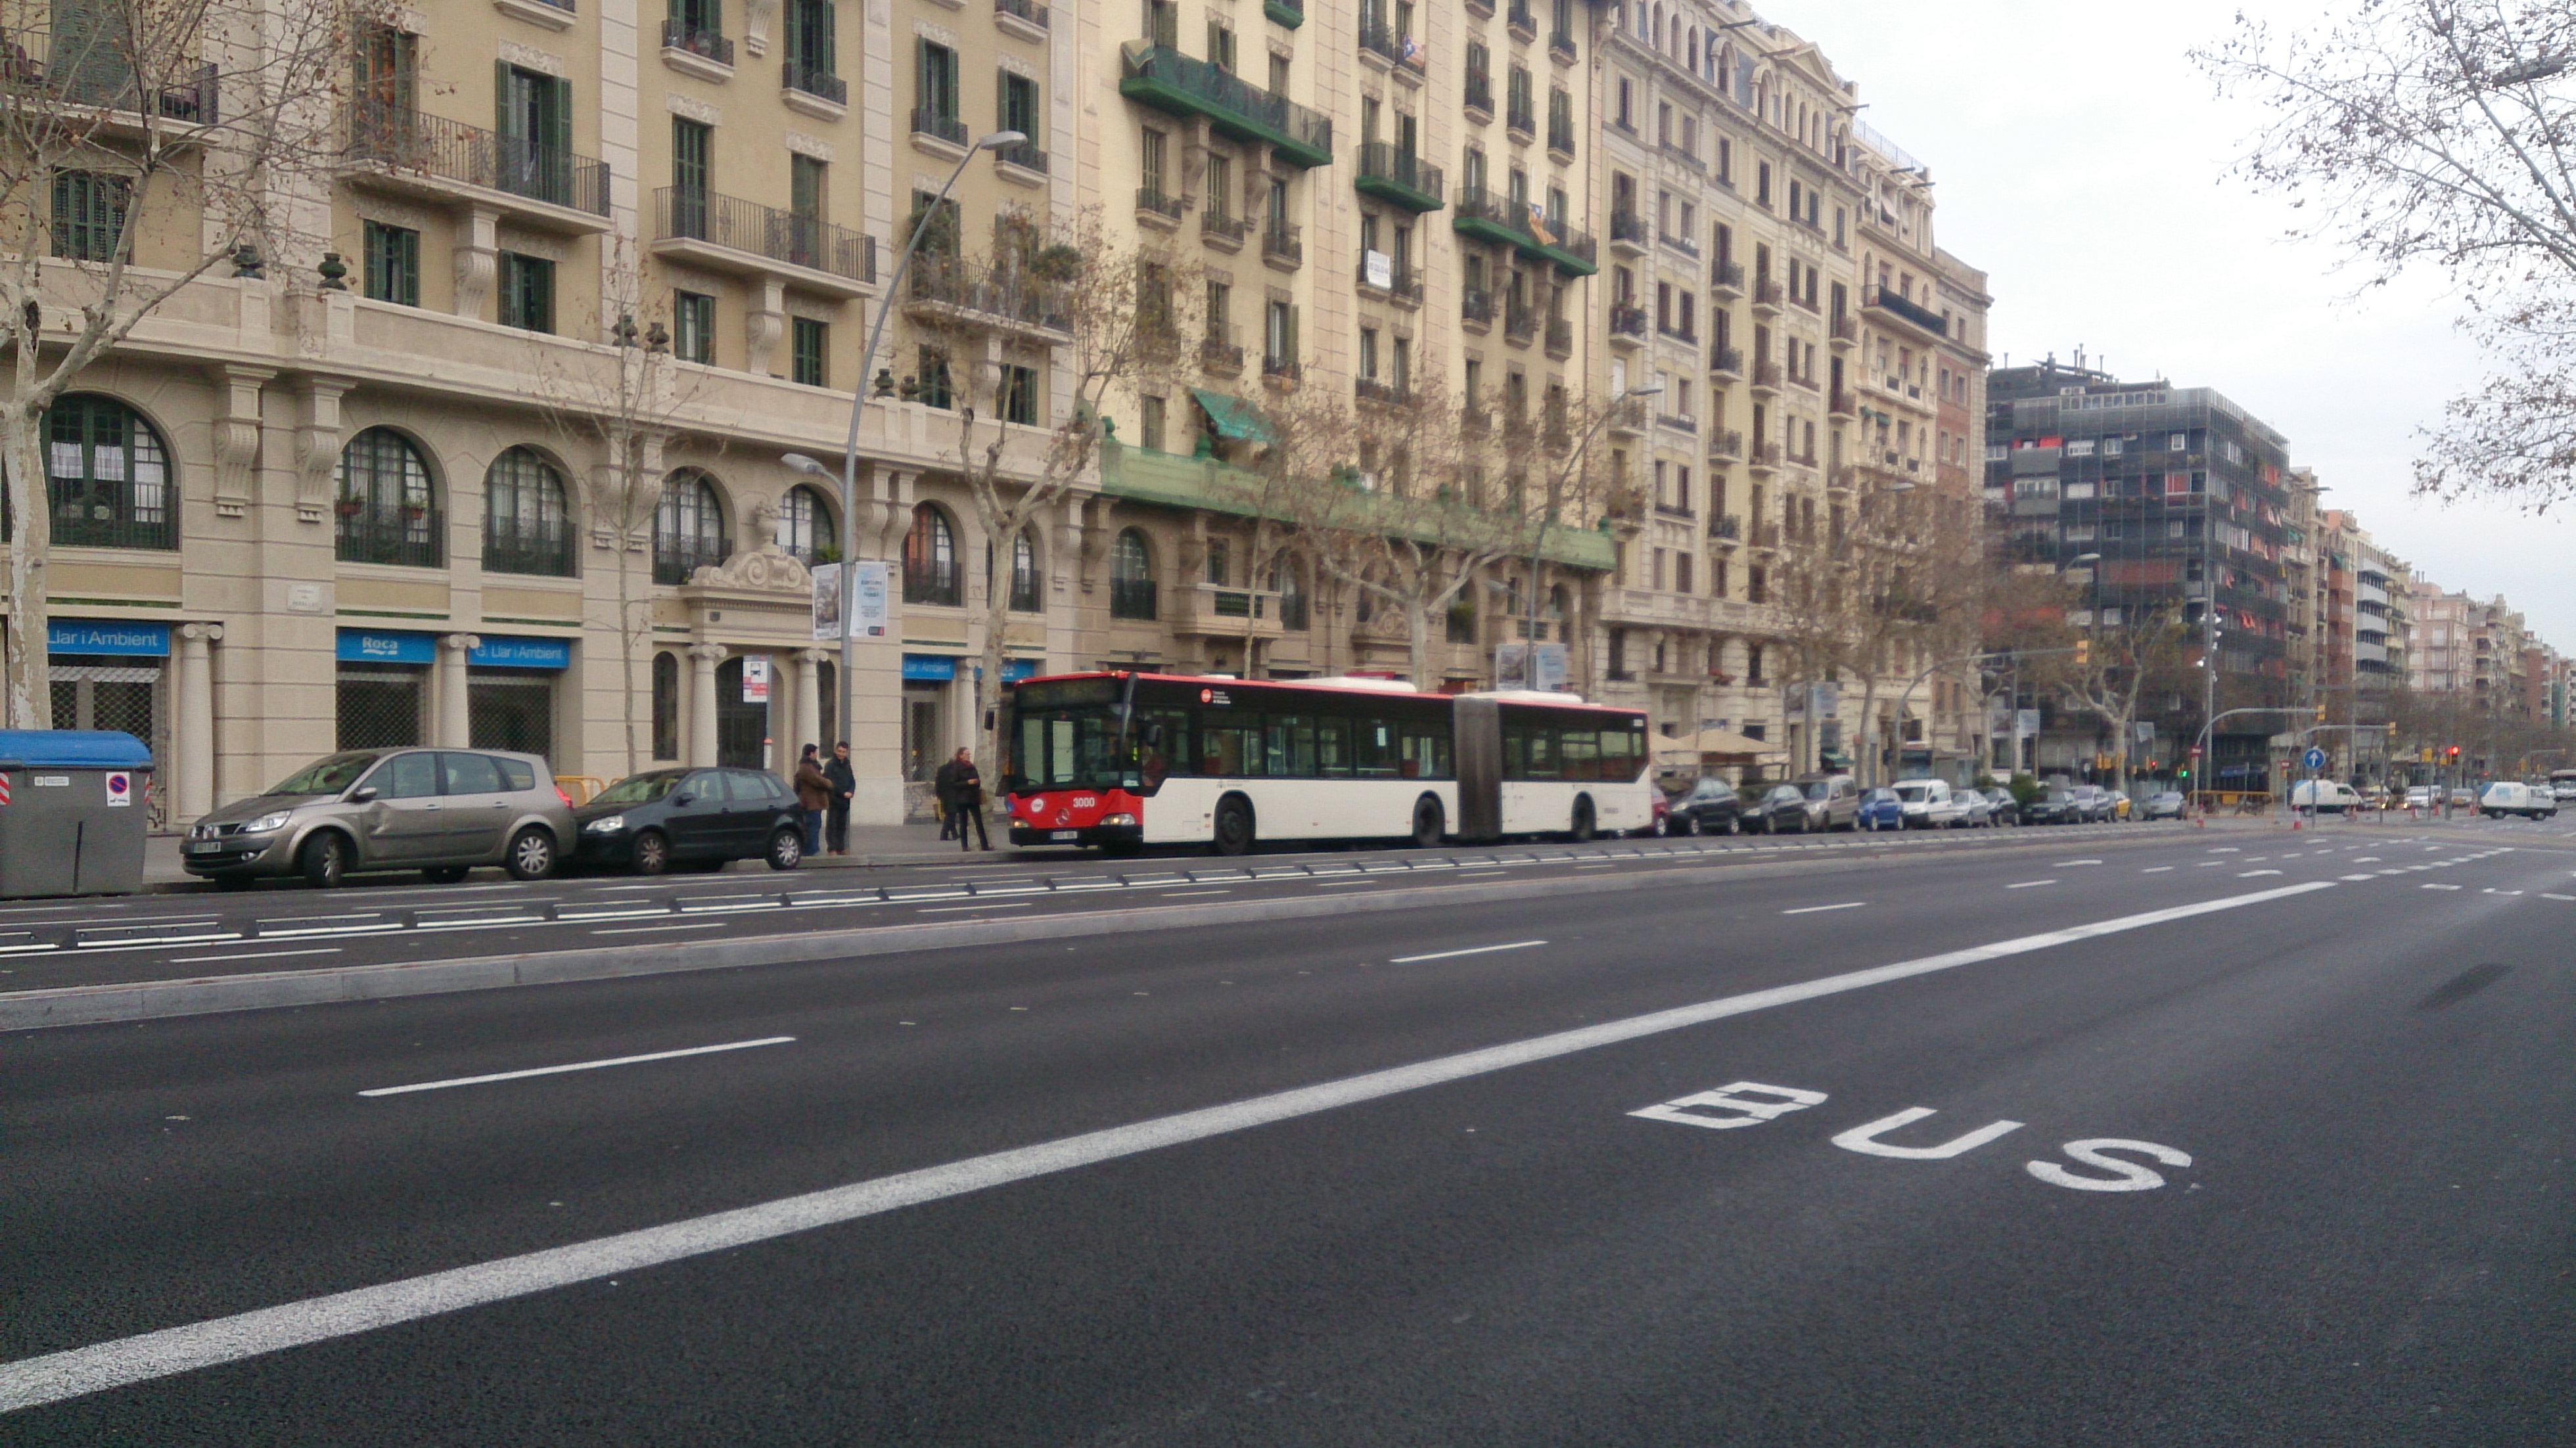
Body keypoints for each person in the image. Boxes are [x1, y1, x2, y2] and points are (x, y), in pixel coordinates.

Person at [947, 746, 990, 850]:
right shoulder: (956, 767)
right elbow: (953, 784)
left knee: (979, 822)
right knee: (963, 822)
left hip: (973, 797)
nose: (968, 756)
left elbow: (978, 779)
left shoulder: (972, 766)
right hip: (962, 799)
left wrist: (976, 782)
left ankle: (984, 845)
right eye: (966, 754)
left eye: (969, 754)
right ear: (961, 755)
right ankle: (965, 846)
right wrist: (967, 782)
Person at [791, 745, 830, 856]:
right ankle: (811, 850)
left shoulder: (810, 766)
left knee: (814, 826)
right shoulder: (807, 767)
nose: (817, 755)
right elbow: (818, 781)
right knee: (812, 826)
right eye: (815, 753)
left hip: (814, 802)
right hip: (811, 803)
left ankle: (812, 849)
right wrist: (829, 783)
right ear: (811, 754)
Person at [823, 740, 856, 855]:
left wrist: (851, 791)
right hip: (834, 799)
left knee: (842, 825)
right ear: (836, 751)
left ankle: (841, 847)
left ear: (847, 753)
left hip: (845, 801)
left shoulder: (847, 764)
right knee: (832, 825)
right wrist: (843, 793)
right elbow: (830, 783)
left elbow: (852, 780)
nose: (841, 754)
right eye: (839, 751)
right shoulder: (830, 765)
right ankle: (832, 848)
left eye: (844, 752)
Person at [932, 751, 961, 840]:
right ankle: (944, 835)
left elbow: (938, 783)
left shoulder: (942, 769)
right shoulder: (957, 770)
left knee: (950, 814)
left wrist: (938, 794)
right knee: (951, 815)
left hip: (944, 795)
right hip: (954, 795)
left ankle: (954, 834)